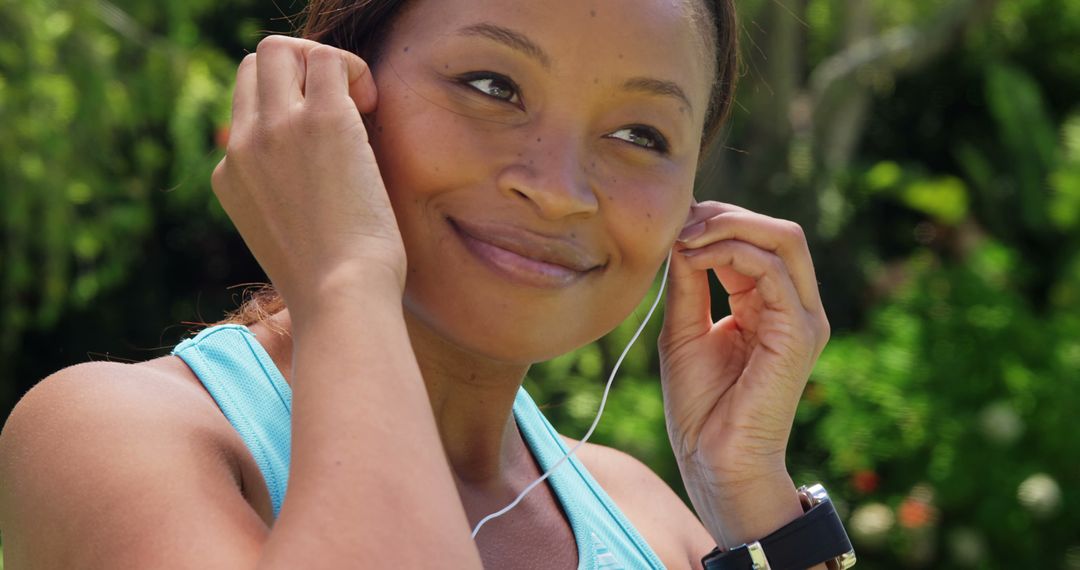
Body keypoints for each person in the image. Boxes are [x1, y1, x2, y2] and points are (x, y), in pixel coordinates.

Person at [0, 0, 845, 567]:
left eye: (639, 131)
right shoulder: (118, 441)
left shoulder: (651, 519)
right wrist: (345, 280)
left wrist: (752, 505)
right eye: (492, 86)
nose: (558, 188)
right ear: (335, 93)